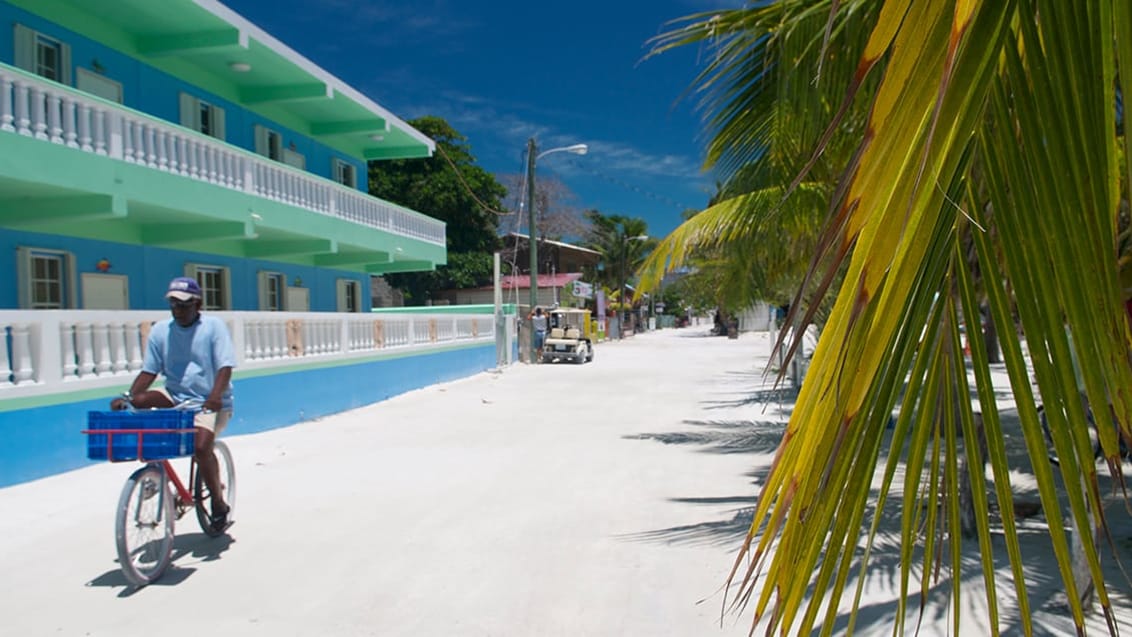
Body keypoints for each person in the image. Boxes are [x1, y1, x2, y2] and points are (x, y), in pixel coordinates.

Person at [110, 277, 236, 532]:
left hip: (210, 402)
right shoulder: (160, 331)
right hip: (176, 396)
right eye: (173, 305)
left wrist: (214, 397)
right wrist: (129, 398)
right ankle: (156, 473)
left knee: (201, 449)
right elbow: (149, 372)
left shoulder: (213, 328)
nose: (178, 310)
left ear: (197, 304)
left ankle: (219, 504)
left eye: (184, 305)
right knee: (141, 402)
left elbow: (225, 367)